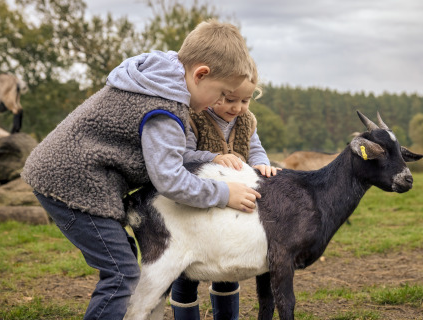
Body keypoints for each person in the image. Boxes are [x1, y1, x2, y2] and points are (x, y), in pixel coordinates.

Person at [21, 20, 261, 320]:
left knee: (122, 261)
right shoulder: (166, 109)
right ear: (201, 74)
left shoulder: (159, 77)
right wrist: (223, 193)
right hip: (73, 184)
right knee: (121, 274)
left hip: (70, 175)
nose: (219, 102)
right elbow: (170, 180)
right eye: (222, 93)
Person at [170, 59, 280, 320]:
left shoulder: (247, 121)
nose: (238, 108)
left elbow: (255, 149)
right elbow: (183, 155)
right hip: (195, 203)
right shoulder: (194, 117)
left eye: (245, 101)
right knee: (187, 271)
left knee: (227, 267)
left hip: (231, 208)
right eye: (230, 99)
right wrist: (214, 157)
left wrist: (262, 165)